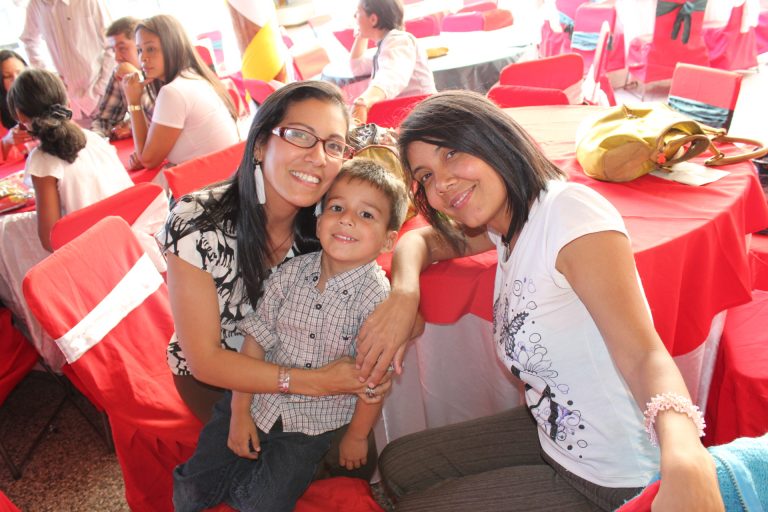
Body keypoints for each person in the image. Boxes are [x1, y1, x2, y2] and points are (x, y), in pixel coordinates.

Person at [368, 91, 724, 511]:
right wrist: (405, 294)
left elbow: (644, 355)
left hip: (615, 474)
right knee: (398, 463)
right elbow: (424, 241)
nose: (441, 184)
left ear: (494, 138)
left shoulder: (568, 215)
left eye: (451, 153)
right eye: (425, 175)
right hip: (553, 432)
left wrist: (687, 457)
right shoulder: (505, 221)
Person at [173, 158, 412, 511]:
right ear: (319, 220)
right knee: (192, 488)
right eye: (337, 208)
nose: (347, 219)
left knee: (264, 502)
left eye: (366, 215)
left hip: (311, 425)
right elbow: (255, 340)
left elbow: (373, 382)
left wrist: (357, 436)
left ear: (389, 240)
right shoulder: (290, 273)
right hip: (258, 395)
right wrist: (239, 411)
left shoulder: (377, 302)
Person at [155, 79, 392, 431]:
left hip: (300, 359)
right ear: (261, 145)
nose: (317, 157)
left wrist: (404, 303)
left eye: (333, 145)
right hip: (220, 381)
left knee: (353, 442)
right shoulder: (197, 223)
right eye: (299, 135)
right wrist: (316, 382)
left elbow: (393, 265)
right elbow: (204, 361)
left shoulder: (329, 219)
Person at [0, 69, 133, 370]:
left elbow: (50, 238)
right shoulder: (94, 139)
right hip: (126, 246)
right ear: (64, 99)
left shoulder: (43, 159)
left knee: (14, 252)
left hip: (90, 261)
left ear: (21, 115)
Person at [121, 14, 239, 171]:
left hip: (211, 181)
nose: (143, 58)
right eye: (139, 50)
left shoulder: (173, 92)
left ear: (172, 47)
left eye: (151, 49)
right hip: (227, 174)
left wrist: (134, 102)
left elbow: (147, 160)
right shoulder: (193, 76)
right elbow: (149, 152)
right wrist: (146, 153)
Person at [20, 0, 115, 125]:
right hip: (67, 102)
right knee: (77, 137)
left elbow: (112, 43)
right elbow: (28, 40)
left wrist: (101, 86)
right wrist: (48, 77)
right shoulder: (36, 4)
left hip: (101, 92)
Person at [349, 0, 436, 124]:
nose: (354, 16)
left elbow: (392, 76)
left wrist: (365, 100)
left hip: (421, 117)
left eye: (358, 12)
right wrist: (361, 36)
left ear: (373, 19)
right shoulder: (386, 45)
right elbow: (358, 66)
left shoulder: (399, 41)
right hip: (406, 115)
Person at [91, 16, 156, 141]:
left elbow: (163, 119)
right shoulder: (121, 73)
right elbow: (105, 120)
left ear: (140, 45)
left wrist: (138, 78)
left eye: (122, 48)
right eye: (113, 50)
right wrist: (94, 141)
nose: (117, 57)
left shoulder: (161, 71)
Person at [1, 50, 33, 161]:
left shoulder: (46, 98)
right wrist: (6, 141)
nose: (16, 79)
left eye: (19, 73)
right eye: (7, 76)